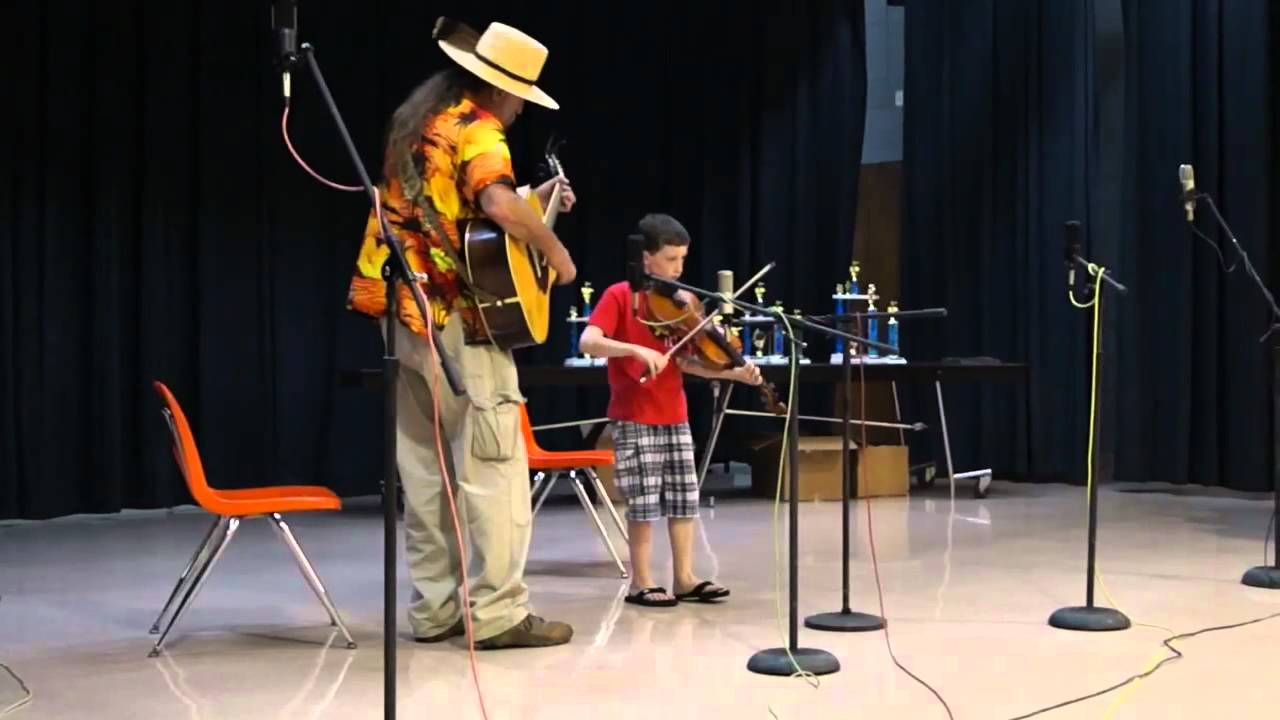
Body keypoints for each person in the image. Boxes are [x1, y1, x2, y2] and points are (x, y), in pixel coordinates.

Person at [346, 18, 577, 649]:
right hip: (457, 321)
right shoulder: (480, 129)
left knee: (425, 471)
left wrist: (536, 198)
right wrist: (555, 251)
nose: (520, 109)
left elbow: (459, 213)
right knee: (493, 465)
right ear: (502, 90)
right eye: (521, 98)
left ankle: (436, 609)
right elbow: (495, 207)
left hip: (402, 316)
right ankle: (498, 614)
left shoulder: (421, 123)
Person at [579, 214, 762, 607]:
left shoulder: (682, 303)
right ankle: (641, 582)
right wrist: (633, 349)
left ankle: (684, 577)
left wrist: (732, 372)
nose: (679, 269)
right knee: (643, 502)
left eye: (682, 260)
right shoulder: (620, 296)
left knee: (684, 498)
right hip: (635, 414)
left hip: (675, 413)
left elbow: (687, 362)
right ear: (647, 259)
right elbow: (588, 342)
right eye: (671, 259)